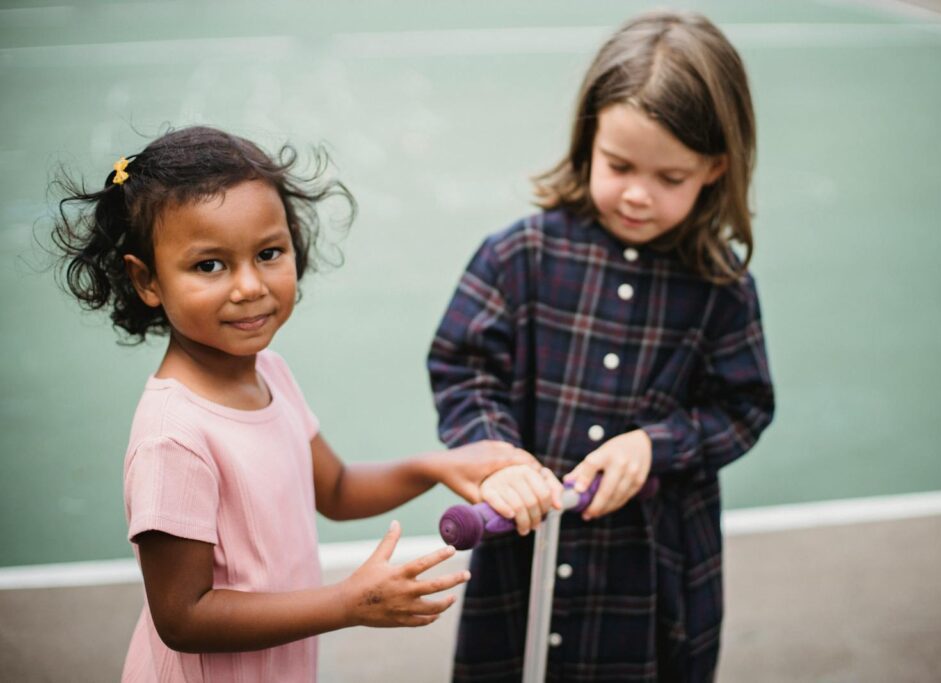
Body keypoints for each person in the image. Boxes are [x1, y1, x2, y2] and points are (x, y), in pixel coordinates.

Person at [50, 126, 535, 682]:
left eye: (268, 253)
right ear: (147, 279)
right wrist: (348, 603)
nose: (250, 286)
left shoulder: (271, 375)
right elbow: (183, 617)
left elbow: (334, 489)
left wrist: (437, 466)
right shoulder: (173, 435)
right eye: (210, 265)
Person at [428, 11, 775, 682]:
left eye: (670, 178)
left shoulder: (721, 286)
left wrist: (655, 444)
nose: (638, 195)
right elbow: (464, 367)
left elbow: (744, 405)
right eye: (618, 165)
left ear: (715, 168)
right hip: (522, 563)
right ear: (589, 140)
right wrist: (496, 458)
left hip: (651, 577)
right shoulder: (519, 255)